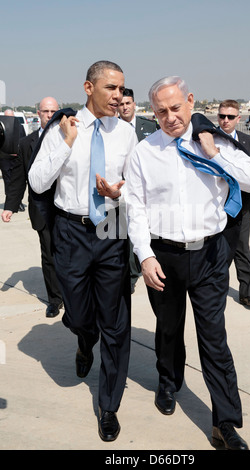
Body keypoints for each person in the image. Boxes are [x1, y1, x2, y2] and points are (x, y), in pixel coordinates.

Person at [125, 76, 250, 450]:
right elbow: (135, 209)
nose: (170, 117)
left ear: (190, 101)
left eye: (175, 108)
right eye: (160, 112)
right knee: (168, 330)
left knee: (214, 339)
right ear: (151, 113)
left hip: (210, 256)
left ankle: (226, 423)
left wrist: (215, 153)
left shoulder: (215, 141)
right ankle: (168, 382)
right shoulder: (144, 152)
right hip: (164, 256)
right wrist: (145, 255)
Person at [28, 61, 137, 442]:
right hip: (71, 231)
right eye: (110, 88)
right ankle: (82, 337)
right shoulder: (64, 129)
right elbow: (38, 180)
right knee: (77, 312)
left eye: (121, 89)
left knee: (116, 322)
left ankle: (109, 406)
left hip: (111, 228)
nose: (118, 96)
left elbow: (135, 185)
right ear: (88, 88)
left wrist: (119, 193)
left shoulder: (126, 133)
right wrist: (66, 144)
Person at [1, 97, 64, 318]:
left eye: (53, 111)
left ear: (59, 113)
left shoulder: (70, 139)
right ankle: (55, 299)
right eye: (45, 111)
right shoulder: (26, 143)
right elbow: (19, 179)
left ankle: (73, 295)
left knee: (69, 254)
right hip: (41, 209)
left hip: (68, 209)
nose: (49, 114)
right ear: (38, 113)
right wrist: (10, 206)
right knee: (48, 255)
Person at [218, 99, 250, 306]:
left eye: (230, 117)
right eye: (221, 116)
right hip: (218, 207)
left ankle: (247, 293)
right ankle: (216, 290)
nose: (225, 121)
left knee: (243, 249)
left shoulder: (246, 140)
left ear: (238, 118)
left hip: (242, 206)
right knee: (221, 251)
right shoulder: (210, 138)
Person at [118, 88, 159, 292]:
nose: (124, 107)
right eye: (121, 104)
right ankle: (132, 274)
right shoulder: (112, 129)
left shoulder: (149, 127)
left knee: (148, 230)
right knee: (126, 233)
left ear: (134, 104)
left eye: (128, 103)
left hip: (147, 188)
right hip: (124, 190)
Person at [0, 109, 26, 211]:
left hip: (16, 158)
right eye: (7, 117)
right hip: (5, 159)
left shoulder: (20, 127)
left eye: (11, 117)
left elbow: (23, 140)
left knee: (17, 180)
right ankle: (10, 202)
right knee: (7, 181)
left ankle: (18, 201)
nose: (9, 119)